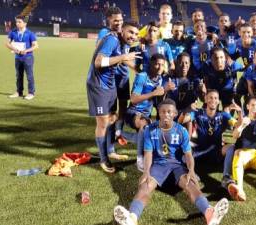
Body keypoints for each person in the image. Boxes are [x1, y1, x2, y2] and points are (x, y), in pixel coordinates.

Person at [113, 99, 229, 225]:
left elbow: (188, 155)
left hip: (177, 166)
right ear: (159, 112)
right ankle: (132, 218)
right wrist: (146, 172)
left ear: (175, 114)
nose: (166, 114)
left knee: (190, 183)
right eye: (163, 111)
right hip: (158, 166)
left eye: (169, 112)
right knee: (145, 185)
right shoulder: (150, 130)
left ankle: (210, 214)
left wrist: (191, 170)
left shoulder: (181, 131)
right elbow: (148, 154)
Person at [86, 22, 140, 173]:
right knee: (103, 122)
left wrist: (140, 69)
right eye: (131, 32)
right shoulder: (112, 40)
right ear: (122, 30)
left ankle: (110, 150)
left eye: (136, 34)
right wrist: (123, 57)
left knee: (111, 117)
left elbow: (125, 60)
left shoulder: (123, 43)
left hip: (110, 84)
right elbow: (98, 62)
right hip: (98, 85)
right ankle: (104, 159)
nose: (133, 36)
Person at [126, 54, 175, 171]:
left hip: (146, 115)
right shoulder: (142, 76)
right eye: (157, 64)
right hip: (133, 112)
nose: (160, 67)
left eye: (162, 65)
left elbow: (159, 103)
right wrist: (153, 93)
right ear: (151, 64)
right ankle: (140, 160)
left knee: (152, 132)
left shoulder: (160, 79)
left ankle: (119, 134)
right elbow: (133, 99)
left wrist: (165, 91)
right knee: (145, 125)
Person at [6, 15, 38, 100]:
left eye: (19, 22)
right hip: (17, 57)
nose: (17, 23)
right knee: (18, 75)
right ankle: (19, 92)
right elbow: (7, 43)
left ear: (25, 23)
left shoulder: (30, 33)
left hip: (28, 57)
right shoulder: (13, 32)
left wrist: (26, 50)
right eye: (16, 22)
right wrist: (14, 49)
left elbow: (35, 46)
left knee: (29, 76)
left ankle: (31, 93)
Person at [202, 47, 243, 113]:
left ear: (225, 58)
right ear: (211, 59)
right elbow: (204, 79)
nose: (219, 60)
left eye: (221, 57)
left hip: (228, 93)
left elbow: (246, 69)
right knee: (209, 113)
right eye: (216, 58)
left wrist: (236, 85)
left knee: (227, 115)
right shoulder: (206, 66)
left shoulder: (232, 65)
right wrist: (206, 92)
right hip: (213, 93)